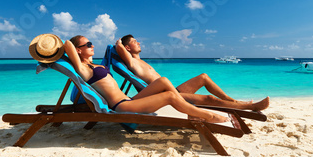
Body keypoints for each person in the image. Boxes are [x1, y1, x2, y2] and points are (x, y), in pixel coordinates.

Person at [64, 35, 229, 124]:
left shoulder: (95, 66)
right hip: (121, 106)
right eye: (88, 44)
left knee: (163, 81)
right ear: (78, 51)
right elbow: (67, 44)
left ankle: (190, 112)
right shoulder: (83, 69)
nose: (92, 46)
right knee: (169, 96)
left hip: (129, 99)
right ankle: (205, 115)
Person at [115, 34, 270, 111]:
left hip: (172, 89)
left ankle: (233, 101)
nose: (139, 42)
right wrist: (119, 43)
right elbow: (118, 47)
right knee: (208, 98)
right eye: (134, 42)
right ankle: (249, 107)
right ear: (127, 48)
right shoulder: (132, 62)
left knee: (203, 77)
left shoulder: (142, 61)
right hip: (161, 95)